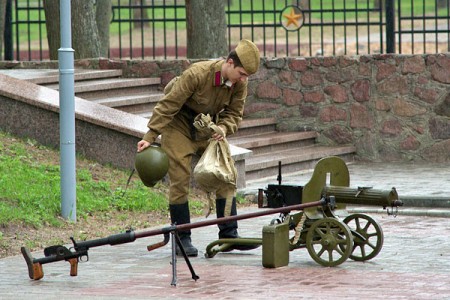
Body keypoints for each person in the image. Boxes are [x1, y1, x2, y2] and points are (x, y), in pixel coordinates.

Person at [137, 39, 260, 257]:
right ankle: (181, 238)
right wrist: (150, 135)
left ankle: (229, 236)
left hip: (208, 128)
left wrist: (223, 128)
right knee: (180, 179)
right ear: (229, 63)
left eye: (246, 76)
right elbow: (169, 103)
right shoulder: (197, 74)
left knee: (226, 175)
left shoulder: (240, 83)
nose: (243, 79)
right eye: (241, 73)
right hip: (179, 125)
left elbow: (235, 114)